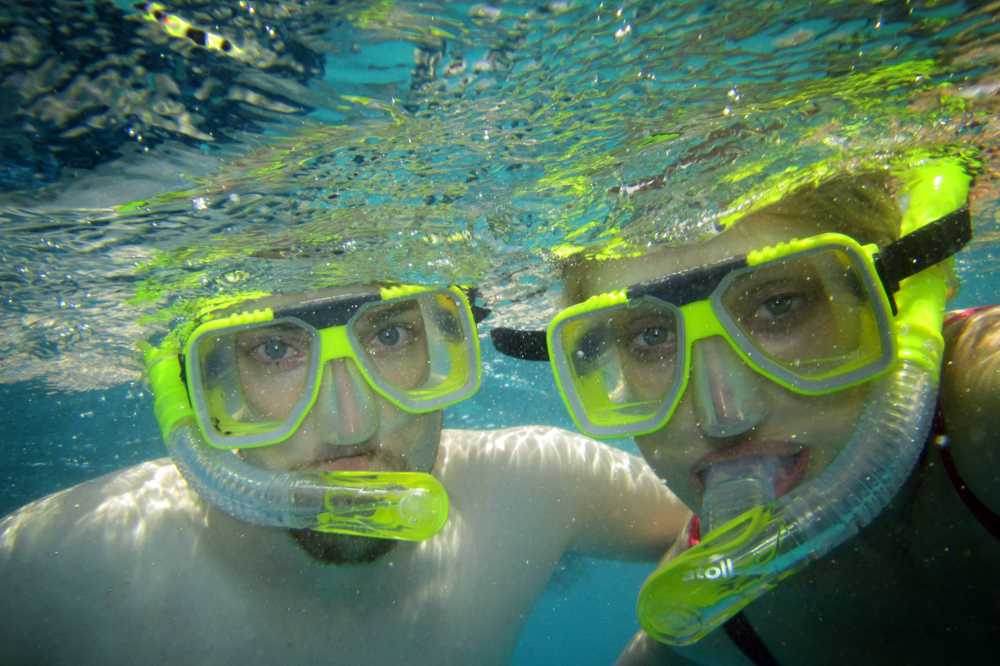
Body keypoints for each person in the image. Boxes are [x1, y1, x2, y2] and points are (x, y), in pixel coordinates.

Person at [0, 283, 688, 666]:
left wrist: (662, 650)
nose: (351, 422)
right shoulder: (50, 570)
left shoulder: (534, 483)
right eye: (274, 351)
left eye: (390, 336)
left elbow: (737, 534)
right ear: (197, 393)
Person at [493, 158, 1000, 665]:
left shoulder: (985, 398)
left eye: (778, 305)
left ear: (887, 300)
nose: (726, 417)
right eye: (651, 338)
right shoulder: (707, 620)